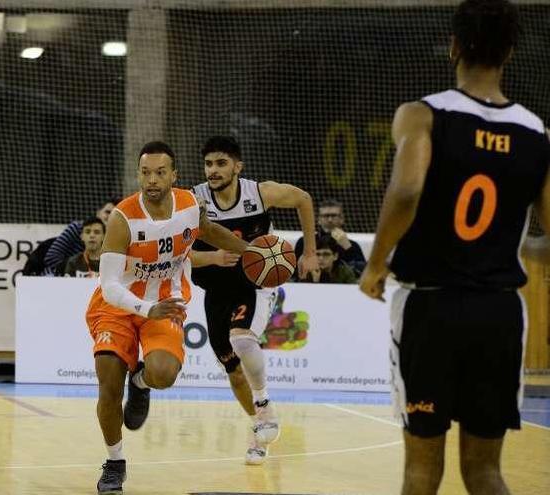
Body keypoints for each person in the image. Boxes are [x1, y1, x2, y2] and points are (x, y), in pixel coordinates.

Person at [360, 2, 550, 493]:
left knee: (422, 470)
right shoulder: (537, 133)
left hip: (431, 305)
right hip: (500, 312)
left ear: (454, 45)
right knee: (486, 471)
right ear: (509, 52)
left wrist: (376, 263)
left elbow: (405, 192)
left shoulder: (424, 114)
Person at [86, 141, 273, 494]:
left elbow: (209, 232)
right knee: (109, 382)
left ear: (174, 175)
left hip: (166, 302)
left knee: (164, 373)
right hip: (119, 305)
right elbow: (109, 285)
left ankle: (140, 383)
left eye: (159, 172)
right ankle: (114, 462)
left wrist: (252, 252)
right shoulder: (123, 218)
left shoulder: (189, 204)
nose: (152, 180)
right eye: (145, 173)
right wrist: (144, 308)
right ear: (138, 174)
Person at [189, 135, 318, 464]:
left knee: (242, 340)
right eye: (208, 164)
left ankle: (263, 404)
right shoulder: (194, 201)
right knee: (232, 370)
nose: (213, 170)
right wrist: (214, 257)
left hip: (255, 284)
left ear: (237, 166)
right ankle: (259, 426)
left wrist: (310, 253)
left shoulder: (260, 193)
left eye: (220, 163)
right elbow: (183, 256)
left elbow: (303, 198)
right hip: (217, 289)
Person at [44, 197, 118, 275]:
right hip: (56, 276)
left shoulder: (115, 238)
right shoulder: (77, 228)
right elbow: (51, 257)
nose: (110, 216)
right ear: (98, 212)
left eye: (114, 214)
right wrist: (73, 268)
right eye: (107, 212)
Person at [295, 198, 366, 275]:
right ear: (319, 219)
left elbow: (362, 272)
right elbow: (294, 271)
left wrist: (348, 248)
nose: (330, 219)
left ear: (342, 219)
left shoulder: (352, 245)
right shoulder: (305, 242)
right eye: (325, 216)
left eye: (334, 215)